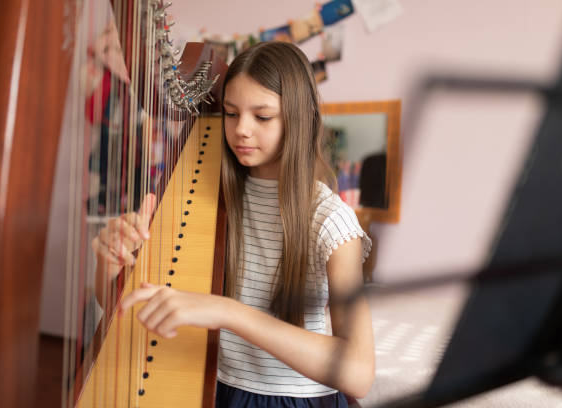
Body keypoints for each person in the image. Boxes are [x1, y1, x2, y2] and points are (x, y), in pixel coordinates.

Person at [92, 41, 375, 407]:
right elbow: (134, 311)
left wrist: (228, 311)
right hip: (216, 391)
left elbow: (359, 373)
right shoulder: (206, 194)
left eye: (262, 116)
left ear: (300, 116)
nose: (241, 129)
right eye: (230, 113)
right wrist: (108, 263)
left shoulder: (330, 220)